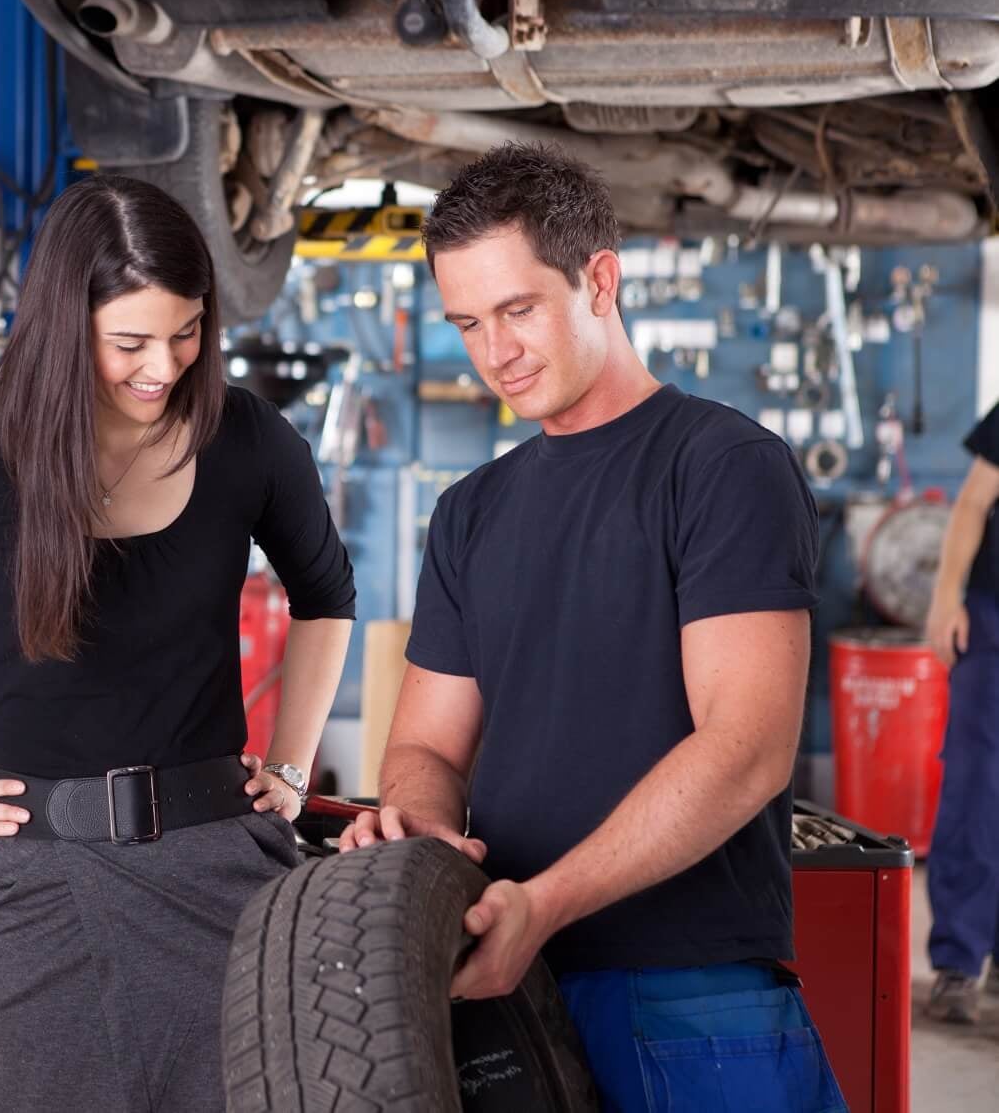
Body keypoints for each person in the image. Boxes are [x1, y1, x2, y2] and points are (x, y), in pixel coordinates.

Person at [0, 174, 355, 1113]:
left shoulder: (247, 439)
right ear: (64, 326)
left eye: (188, 332)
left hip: (220, 874)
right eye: (130, 341)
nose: (162, 366)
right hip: (34, 889)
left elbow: (327, 594)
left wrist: (288, 766)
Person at [338, 143, 846, 1112]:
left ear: (598, 280)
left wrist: (545, 902)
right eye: (466, 322)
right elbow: (422, 744)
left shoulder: (720, 465)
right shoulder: (469, 510)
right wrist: (423, 837)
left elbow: (746, 746)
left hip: (688, 995)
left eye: (517, 308)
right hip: (507, 986)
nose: (494, 351)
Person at [922, 400, 999, 1023]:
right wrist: (947, 599)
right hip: (994, 619)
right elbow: (973, 503)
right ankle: (958, 963)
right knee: (978, 788)